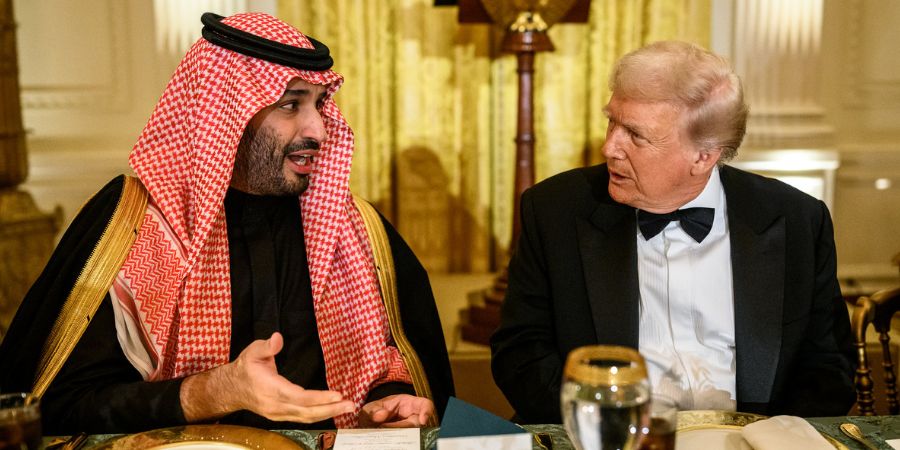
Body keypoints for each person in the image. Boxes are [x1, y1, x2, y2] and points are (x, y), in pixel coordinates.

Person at [0, 12, 453, 434]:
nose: (318, 129)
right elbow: (60, 407)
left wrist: (394, 400)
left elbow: (394, 365)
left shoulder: (353, 229)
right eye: (291, 104)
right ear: (226, 112)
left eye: (319, 103)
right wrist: (213, 391)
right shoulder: (133, 226)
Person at [490, 40, 854, 423]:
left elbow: (829, 367)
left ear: (703, 156)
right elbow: (520, 354)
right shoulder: (556, 210)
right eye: (611, 121)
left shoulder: (795, 219)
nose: (609, 146)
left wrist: (768, 439)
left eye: (635, 134)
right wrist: (608, 429)